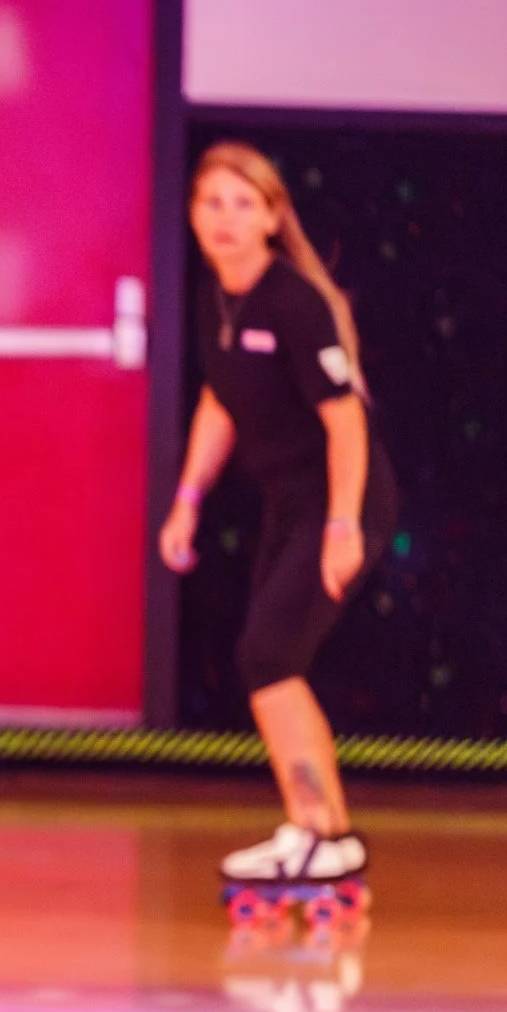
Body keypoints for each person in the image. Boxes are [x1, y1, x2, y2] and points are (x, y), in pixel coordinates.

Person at [157, 140, 396, 891]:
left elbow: (347, 422)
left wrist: (344, 525)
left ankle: (324, 830)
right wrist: (187, 500)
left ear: (271, 217)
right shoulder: (216, 295)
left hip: (340, 501)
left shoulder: (296, 302)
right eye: (211, 203)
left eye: (242, 204)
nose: (225, 219)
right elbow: (221, 398)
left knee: (268, 658)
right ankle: (318, 832)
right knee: (272, 661)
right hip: (289, 504)